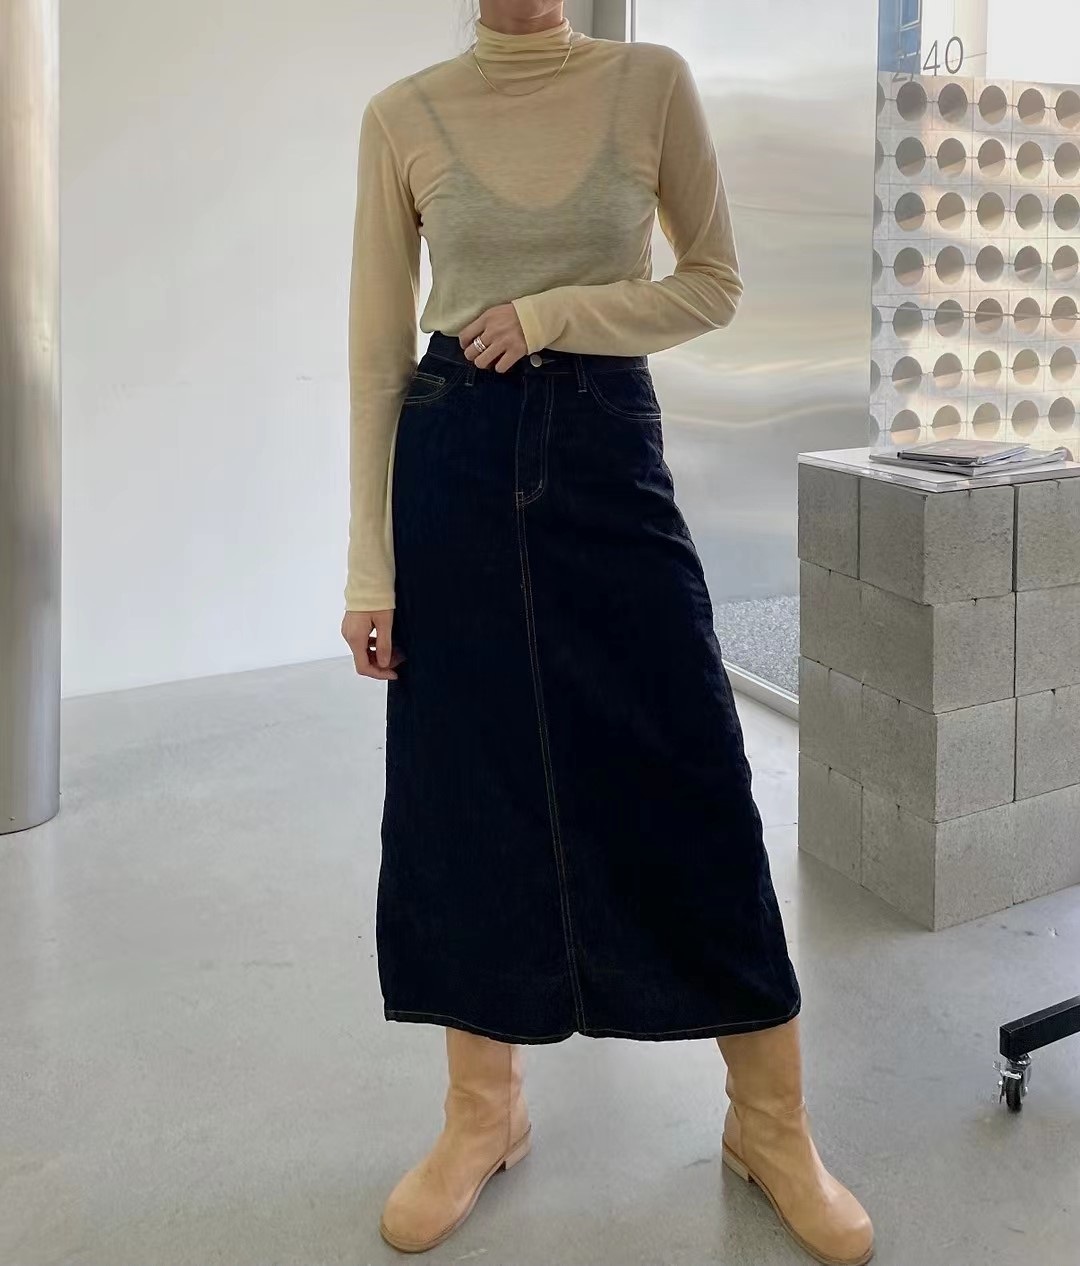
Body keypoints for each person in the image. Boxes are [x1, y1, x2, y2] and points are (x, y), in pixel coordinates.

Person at [340, 3, 874, 1263]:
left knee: (691, 771)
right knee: (466, 787)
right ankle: (484, 1112)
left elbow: (712, 281)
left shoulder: (650, 81)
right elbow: (375, 350)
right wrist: (371, 563)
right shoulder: (401, 115)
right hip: (452, 455)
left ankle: (769, 1122)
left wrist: (552, 314)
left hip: (604, 446)